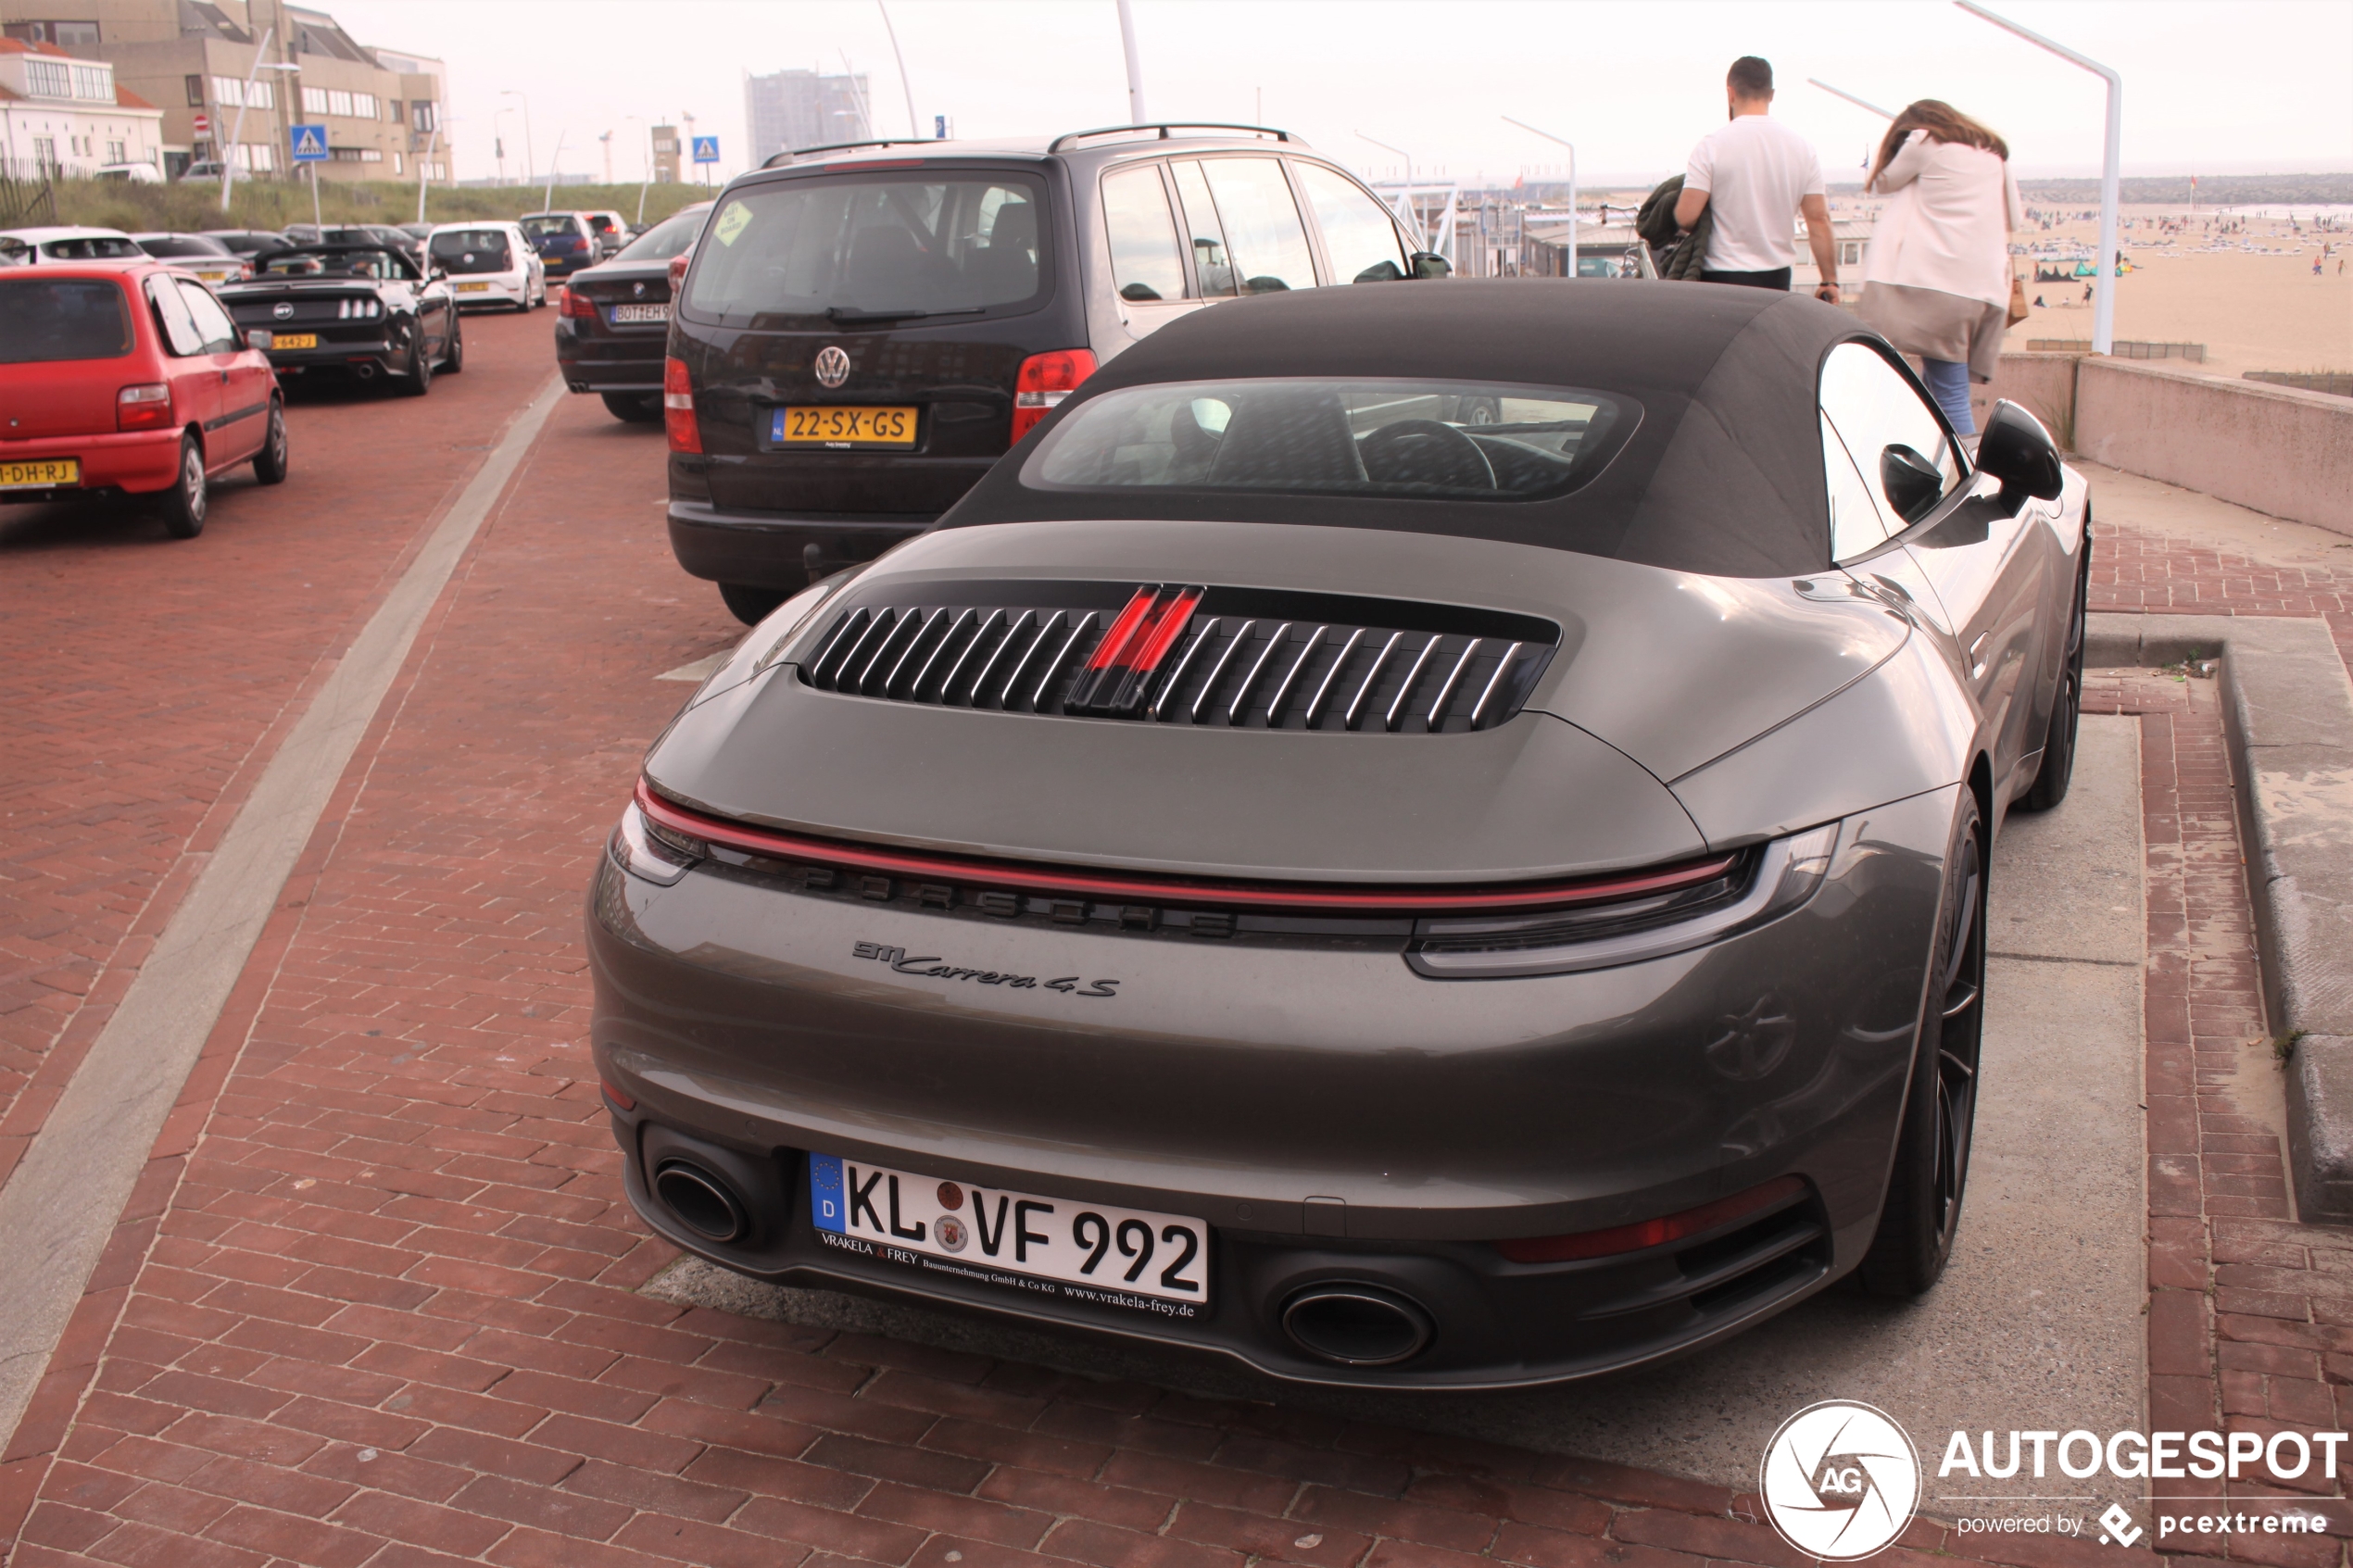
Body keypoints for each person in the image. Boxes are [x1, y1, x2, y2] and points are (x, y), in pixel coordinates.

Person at [1855, 100, 2024, 436]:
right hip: (1984, 293)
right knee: (1935, 387)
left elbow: (1881, 183)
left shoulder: (1925, 141)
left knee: (1950, 395)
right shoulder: (1993, 155)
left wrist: (1894, 150)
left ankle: (1970, 475)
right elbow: (2015, 218)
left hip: (1938, 288)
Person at [1671, 56, 1840, 300]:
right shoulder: (1802, 148)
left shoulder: (1712, 146)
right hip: (1777, 278)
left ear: (1730, 93)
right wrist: (1829, 281)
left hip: (1721, 278)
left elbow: (1686, 218)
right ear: (1771, 94)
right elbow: (1819, 220)